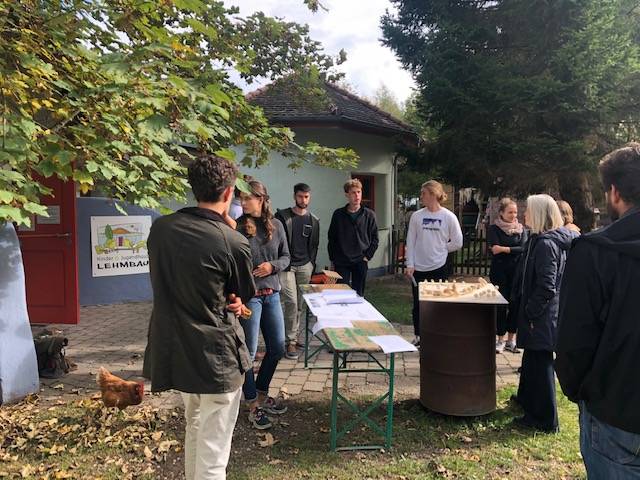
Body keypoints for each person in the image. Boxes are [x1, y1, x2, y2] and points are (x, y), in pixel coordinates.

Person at [143, 154, 255, 480]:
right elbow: (240, 294)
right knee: (213, 457)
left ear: (194, 188)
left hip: (176, 351)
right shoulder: (233, 241)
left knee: (194, 427)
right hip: (216, 357)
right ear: (229, 193)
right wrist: (229, 232)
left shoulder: (160, 229)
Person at [556, 143, 640, 477]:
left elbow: (573, 342)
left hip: (613, 413)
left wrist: (582, 392)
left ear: (615, 192)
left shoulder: (592, 253)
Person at [511, 194, 576, 433]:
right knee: (532, 360)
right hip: (539, 315)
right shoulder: (539, 239)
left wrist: (530, 312)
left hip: (542, 316)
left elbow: (546, 287)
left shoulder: (547, 244)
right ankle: (527, 402)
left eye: (527, 210)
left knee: (541, 364)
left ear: (538, 214)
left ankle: (545, 420)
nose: (524, 214)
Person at [237, 179, 290, 430]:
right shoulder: (238, 227)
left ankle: (261, 391)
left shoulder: (277, 225)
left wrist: (272, 266)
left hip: (272, 294)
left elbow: (286, 257)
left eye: (247, 198)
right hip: (251, 297)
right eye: (240, 197)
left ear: (261, 199)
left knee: (278, 347)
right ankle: (252, 405)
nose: (242, 202)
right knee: (247, 353)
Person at [405, 180, 463, 346]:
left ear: (433, 194)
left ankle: (436, 335)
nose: (421, 197)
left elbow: (458, 242)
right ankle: (418, 336)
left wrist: (442, 248)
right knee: (418, 304)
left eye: (423, 193)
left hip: (439, 267)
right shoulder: (417, 216)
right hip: (418, 268)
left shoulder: (448, 217)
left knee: (437, 304)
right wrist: (410, 264)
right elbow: (411, 240)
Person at [275, 183, 320, 360]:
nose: (304, 200)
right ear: (295, 196)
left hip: (305, 265)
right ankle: (290, 341)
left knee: (300, 303)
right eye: (300, 196)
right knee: (291, 301)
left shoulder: (313, 220)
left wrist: (311, 263)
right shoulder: (283, 216)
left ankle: (293, 336)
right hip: (286, 265)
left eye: (307, 197)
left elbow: (315, 245)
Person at [488, 198, 528, 354]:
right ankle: (500, 339)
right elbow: (494, 248)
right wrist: (512, 249)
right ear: (502, 213)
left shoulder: (521, 229)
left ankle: (511, 339)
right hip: (499, 272)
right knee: (500, 305)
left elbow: (523, 248)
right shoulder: (494, 229)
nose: (513, 215)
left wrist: (504, 249)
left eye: (515, 212)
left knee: (515, 305)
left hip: (517, 273)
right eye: (510, 212)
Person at [327, 178, 379, 296]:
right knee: (341, 294)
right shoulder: (338, 214)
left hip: (360, 260)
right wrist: (333, 259)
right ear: (347, 194)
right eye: (353, 192)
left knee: (358, 295)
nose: (357, 195)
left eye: (359, 192)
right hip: (341, 261)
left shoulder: (369, 215)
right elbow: (332, 238)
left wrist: (367, 256)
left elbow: (375, 239)